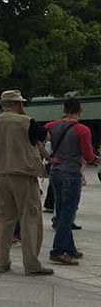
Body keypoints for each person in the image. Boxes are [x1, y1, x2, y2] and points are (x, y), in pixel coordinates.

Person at [0, 90, 53, 275]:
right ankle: (32, 264)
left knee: (3, 219)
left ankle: (2, 262)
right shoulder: (26, 121)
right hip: (24, 175)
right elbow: (46, 137)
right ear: (19, 104)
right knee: (30, 217)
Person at [44, 97, 99, 266]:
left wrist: (48, 157)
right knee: (68, 211)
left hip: (55, 170)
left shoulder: (51, 126)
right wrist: (97, 159)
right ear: (80, 110)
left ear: (64, 109)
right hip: (71, 172)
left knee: (61, 210)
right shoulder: (82, 130)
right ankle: (58, 250)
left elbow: (38, 140)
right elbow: (88, 156)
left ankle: (69, 246)